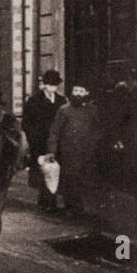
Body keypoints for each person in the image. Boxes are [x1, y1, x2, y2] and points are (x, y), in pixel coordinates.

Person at [45, 82, 102, 215]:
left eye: (81, 91)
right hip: (69, 151)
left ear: (86, 94)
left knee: (85, 179)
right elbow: (55, 131)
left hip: (87, 151)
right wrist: (52, 150)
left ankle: (83, 207)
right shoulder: (64, 110)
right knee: (70, 179)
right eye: (75, 90)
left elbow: (98, 129)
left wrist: (93, 143)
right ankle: (70, 206)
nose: (77, 94)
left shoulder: (92, 110)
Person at [22, 70, 66, 210]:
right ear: (44, 85)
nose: (52, 87)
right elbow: (27, 123)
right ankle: (46, 202)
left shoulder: (61, 100)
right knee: (44, 171)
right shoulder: (34, 101)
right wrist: (33, 140)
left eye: (55, 84)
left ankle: (50, 201)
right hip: (39, 142)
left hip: (56, 142)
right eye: (49, 84)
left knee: (54, 170)